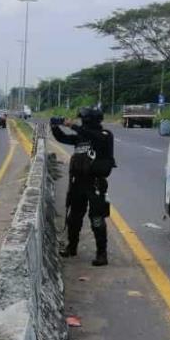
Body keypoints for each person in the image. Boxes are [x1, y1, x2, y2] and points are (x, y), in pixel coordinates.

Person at [50, 107, 116, 266]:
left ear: (89, 121)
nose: (80, 123)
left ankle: (102, 254)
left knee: (97, 219)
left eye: (83, 120)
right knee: (74, 218)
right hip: (78, 183)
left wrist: (73, 125)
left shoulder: (104, 136)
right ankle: (71, 247)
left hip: (95, 184)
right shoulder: (81, 137)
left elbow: (95, 137)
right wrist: (54, 126)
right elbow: (63, 138)